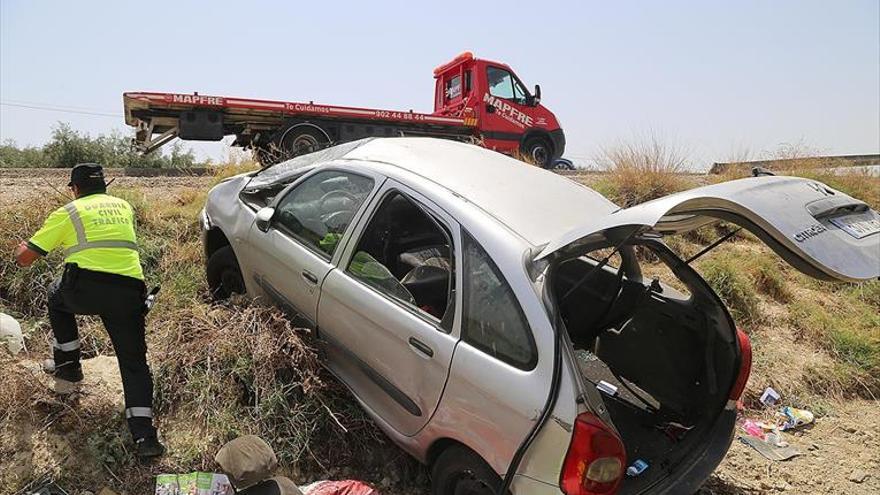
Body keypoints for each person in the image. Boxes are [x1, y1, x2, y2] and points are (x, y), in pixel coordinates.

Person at [13, 163, 165, 459]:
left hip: (84, 290)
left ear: (75, 188)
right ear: (105, 186)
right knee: (134, 362)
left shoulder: (69, 211)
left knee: (55, 296)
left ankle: (69, 367)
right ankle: (144, 436)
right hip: (128, 291)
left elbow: (25, 259)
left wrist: (20, 247)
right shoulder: (124, 207)